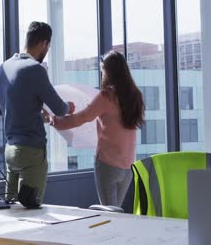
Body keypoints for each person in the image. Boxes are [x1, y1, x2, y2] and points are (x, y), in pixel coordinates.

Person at [0, 21, 75, 204]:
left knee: (10, 209)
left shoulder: (0, 70)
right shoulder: (35, 69)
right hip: (31, 151)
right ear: (44, 43)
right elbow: (59, 108)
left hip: (11, 151)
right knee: (32, 211)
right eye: (48, 47)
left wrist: (33, 112)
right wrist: (69, 106)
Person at [51, 51, 144, 207]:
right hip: (127, 167)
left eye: (102, 70)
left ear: (108, 71)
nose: (102, 74)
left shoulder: (107, 96)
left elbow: (81, 118)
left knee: (109, 214)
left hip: (108, 165)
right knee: (116, 213)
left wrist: (56, 121)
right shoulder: (136, 96)